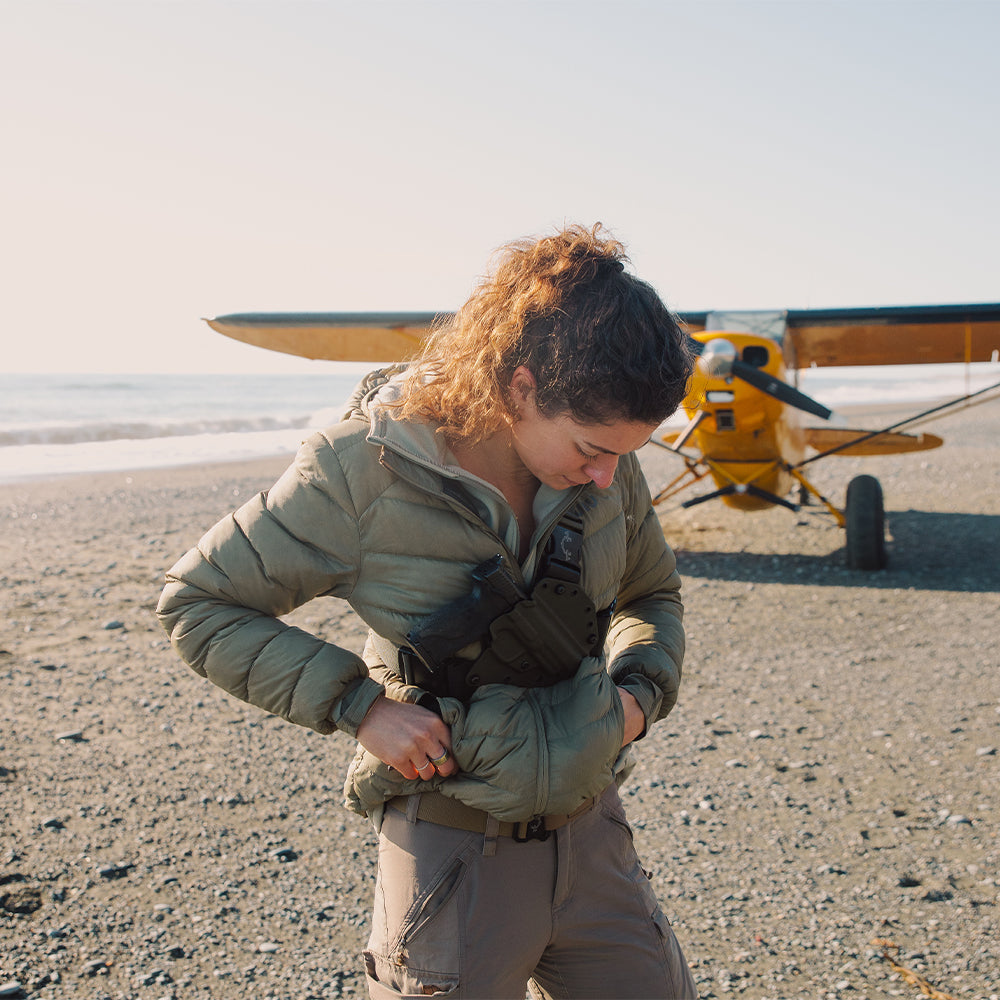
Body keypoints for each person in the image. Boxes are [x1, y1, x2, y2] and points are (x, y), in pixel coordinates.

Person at [157, 223, 698, 999]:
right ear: (520, 387)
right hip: (450, 853)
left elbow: (652, 594)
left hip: (595, 837)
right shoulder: (357, 473)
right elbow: (198, 602)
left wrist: (639, 696)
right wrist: (361, 707)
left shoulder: (610, 469)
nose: (609, 477)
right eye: (591, 448)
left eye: (625, 452)